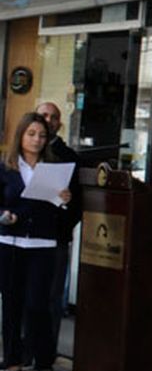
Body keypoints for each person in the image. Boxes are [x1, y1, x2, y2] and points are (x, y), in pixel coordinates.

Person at [0, 112, 75, 371]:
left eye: (42, 135)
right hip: (11, 245)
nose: (36, 140)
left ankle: (44, 367)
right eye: (31, 134)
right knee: (12, 308)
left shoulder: (54, 168)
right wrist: (6, 215)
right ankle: (13, 366)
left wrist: (64, 199)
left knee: (38, 307)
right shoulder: (6, 168)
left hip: (42, 246)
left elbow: (61, 205)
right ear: (20, 135)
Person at [34, 101, 81, 352]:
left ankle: (44, 354)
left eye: (53, 117)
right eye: (44, 115)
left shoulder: (69, 157)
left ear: (59, 123)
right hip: (23, 235)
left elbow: (77, 205)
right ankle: (18, 352)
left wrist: (61, 224)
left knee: (51, 298)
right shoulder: (23, 155)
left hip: (55, 238)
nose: (48, 120)